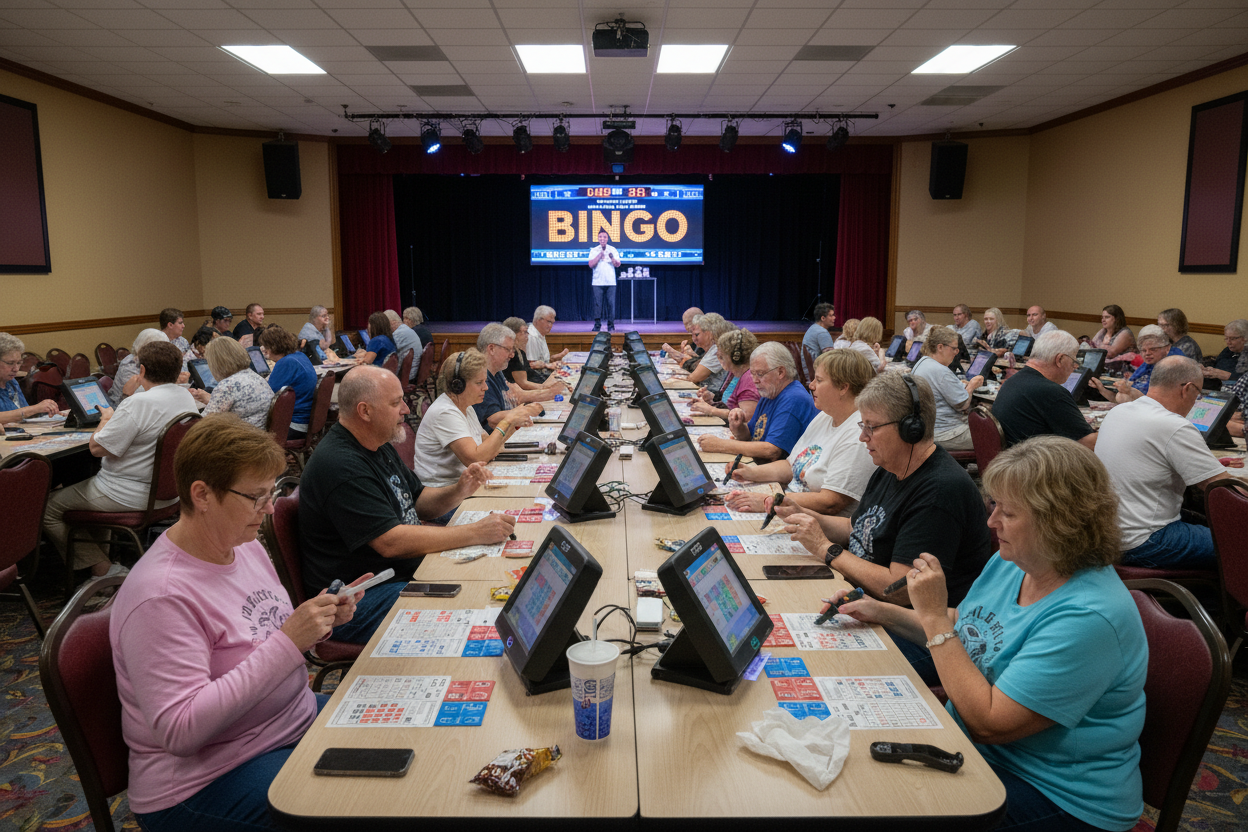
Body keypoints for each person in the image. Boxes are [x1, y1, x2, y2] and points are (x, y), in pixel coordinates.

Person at [829, 435, 1146, 832]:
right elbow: (971, 626)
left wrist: (932, 616)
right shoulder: (1015, 561)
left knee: (876, 808)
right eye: (994, 505)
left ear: (1059, 521)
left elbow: (988, 723)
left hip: (1059, 794)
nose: (991, 522)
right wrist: (884, 612)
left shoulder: (1089, 616)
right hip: (983, 753)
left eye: (1008, 513)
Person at [109, 414, 365, 832]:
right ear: (202, 494)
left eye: (273, 494)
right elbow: (181, 729)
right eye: (256, 497)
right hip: (205, 780)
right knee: (363, 806)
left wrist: (318, 619)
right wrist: (288, 641)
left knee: (402, 735)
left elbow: (263, 635)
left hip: (284, 724)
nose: (268, 510)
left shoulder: (242, 546)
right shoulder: (161, 596)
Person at [299, 365, 517, 643]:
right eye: (395, 403)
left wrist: (460, 489)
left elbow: (419, 503)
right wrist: (475, 532)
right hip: (356, 600)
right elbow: (390, 542)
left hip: (397, 573)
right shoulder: (340, 464)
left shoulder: (378, 443)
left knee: (487, 581)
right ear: (365, 411)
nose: (406, 409)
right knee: (469, 612)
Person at [777, 371, 992, 609]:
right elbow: (855, 528)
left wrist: (824, 548)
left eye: (871, 427)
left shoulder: (939, 492)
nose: (862, 437)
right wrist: (805, 515)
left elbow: (900, 589)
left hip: (903, 626)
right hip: (863, 599)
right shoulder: (891, 465)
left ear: (911, 429)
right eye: (863, 425)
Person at [43, 341, 197, 582]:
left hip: (128, 494)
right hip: (170, 493)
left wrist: (106, 418)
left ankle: (102, 570)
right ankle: (102, 563)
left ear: (142, 371)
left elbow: (96, 448)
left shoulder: (139, 403)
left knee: (47, 507)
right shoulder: (185, 397)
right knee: (87, 488)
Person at [1096, 356, 1227, 570]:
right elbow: (1221, 488)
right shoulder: (1174, 425)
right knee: (1237, 542)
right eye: (1198, 395)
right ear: (1187, 388)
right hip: (1145, 540)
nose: (1196, 401)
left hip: (1109, 533)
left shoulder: (1119, 411)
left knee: (1207, 522)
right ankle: (1217, 603)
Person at [726, 349, 877, 518]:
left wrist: (768, 500)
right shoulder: (825, 416)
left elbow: (830, 502)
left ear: (843, 387)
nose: (811, 385)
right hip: (790, 507)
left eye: (819, 380)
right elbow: (791, 465)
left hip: (816, 525)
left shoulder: (857, 436)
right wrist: (749, 472)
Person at [414, 349, 533, 489]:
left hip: (463, 487)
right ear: (458, 385)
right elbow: (476, 459)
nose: (486, 387)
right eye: (479, 383)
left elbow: (490, 447)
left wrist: (514, 424)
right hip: (443, 495)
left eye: (485, 381)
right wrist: (506, 421)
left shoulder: (466, 407)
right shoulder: (445, 413)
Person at [697, 342, 819, 463]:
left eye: (760, 374)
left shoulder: (794, 398)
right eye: (753, 374)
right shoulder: (770, 392)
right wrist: (738, 427)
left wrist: (720, 445)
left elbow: (771, 450)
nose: (755, 380)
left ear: (781, 372)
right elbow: (751, 435)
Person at [993, 330, 1097, 449]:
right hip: (1035, 463)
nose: (1076, 366)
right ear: (1060, 359)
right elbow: (1088, 444)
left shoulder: (1013, 380)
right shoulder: (1051, 391)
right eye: (1074, 361)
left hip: (1010, 460)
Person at [910, 325, 982, 451]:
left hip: (927, 428)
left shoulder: (922, 363)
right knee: (993, 436)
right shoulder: (940, 371)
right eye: (954, 348)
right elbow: (963, 404)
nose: (957, 352)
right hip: (945, 432)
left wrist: (959, 384)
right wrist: (972, 385)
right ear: (940, 347)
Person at [472, 322, 549, 431]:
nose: (512, 355)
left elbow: (514, 398)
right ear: (492, 349)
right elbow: (493, 419)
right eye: (508, 349)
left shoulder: (497, 372)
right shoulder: (480, 378)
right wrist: (525, 411)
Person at [189, 337, 274, 428]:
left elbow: (204, 424)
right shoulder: (255, 377)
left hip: (240, 438)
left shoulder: (227, 386)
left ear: (216, 363)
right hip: (259, 435)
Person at [1089, 325, 1178, 403]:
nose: (1147, 353)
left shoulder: (1171, 367)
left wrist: (1129, 392)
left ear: (1167, 348)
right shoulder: (1146, 365)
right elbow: (1118, 399)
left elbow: (1155, 403)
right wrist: (1101, 389)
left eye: (1153, 349)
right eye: (1143, 350)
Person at [258, 324, 317, 438]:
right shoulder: (299, 356)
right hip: (306, 420)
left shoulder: (286, 363)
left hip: (294, 425)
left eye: (265, 346)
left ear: (272, 347)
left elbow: (268, 395)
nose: (264, 350)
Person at [689, 328, 761, 422]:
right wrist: (711, 400)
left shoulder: (750, 379)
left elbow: (746, 418)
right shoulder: (735, 372)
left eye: (721, 355)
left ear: (732, 357)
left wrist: (712, 410)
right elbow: (731, 405)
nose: (718, 358)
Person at [0, 332, 61, 425]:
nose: (16, 369)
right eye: (10, 363)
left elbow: (23, 416)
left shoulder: (12, 382)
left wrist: (48, 411)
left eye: (19, 362)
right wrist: (35, 409)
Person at [501, 317, 567, 395]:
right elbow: (523, 384)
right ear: (513, 334)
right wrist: (547, 388)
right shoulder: (512, 356)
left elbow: (529, 373)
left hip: (537, 385)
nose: (528, 335)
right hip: (529, 393)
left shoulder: (520, 352)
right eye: (525, 332)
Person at [110, 328, 169, 406]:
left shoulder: (153, 362)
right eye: (162, 349)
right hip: (121, 408)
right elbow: (138, 399)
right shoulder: (131, 364)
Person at [684, 312, 735, 391]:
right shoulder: (716, 347)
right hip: (710, 394)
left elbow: (694, 377)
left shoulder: (719, 349)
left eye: (698, 333)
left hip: (713, 395)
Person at [588, 229, 620, 332]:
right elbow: (591, 264)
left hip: (610, 282)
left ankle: (611, 325)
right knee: (598, 305)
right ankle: (597, 325)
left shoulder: (613, 249)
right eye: (600, 237)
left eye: (604, 237)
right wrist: (599, 255)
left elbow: (618, 264)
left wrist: (613, 259)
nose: (602, 239)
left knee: (611, 304)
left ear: (607, 238)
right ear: (598, 238)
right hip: (597, 282)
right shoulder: (594, 250)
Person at [527, 305, 569, 379]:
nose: (550, 326)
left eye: (552, 323)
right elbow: (531, 365)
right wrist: (547, 365)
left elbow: (542, 359)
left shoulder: (540, 333)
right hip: (537, 379)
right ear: (538, 320)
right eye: (549, 322)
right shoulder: (532, 336)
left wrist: (557, 357)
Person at [1203, 319, 1247, 386]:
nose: (1228, 342)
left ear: (1245, 338)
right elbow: (1216, 363)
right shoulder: (1228, 350)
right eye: (1226, 338)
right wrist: (1206, 369)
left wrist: (1226, 375)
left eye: (1232, 339)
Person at [386, 309, 422, 375]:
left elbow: (387, 353)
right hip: (414, 372)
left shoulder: (399, 333)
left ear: (390, 322)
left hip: (407, 376)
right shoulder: (406, 329)